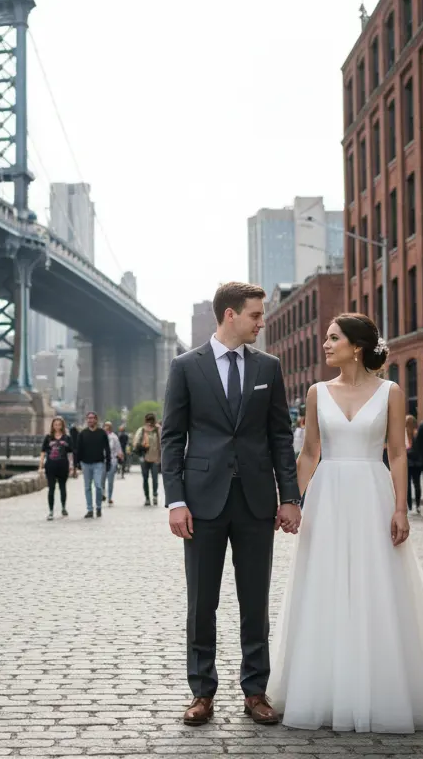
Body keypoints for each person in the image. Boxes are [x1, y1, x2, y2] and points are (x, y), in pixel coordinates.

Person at [266, 312, 423, 732]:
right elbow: (310, 452)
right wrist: (290, 499)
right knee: (323, 583)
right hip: (327, 496)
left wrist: (401, 507)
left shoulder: (390, 391)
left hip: (371, 492)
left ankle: (380, 687)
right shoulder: (315, 392)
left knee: (376, 584)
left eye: (332, 338)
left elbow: (397, 453)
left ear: (356, 346)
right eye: (326, 338)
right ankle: (323, 687)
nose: (325, 346)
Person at [161, 281, 300, 727]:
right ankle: (202, 693)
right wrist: (176, 500)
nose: (262, 322)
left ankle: (255, 691)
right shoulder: (186, 366)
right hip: (202, 502)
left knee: (254, 601)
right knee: (202, 602)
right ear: (230, 316)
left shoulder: (269, 367)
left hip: (257, 502)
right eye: (256, 315)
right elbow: (172, 437)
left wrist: (291, 497)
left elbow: (280, 436)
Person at [74, 412, 110, 519]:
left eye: (92, 418)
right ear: (87, 420)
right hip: (85, 463)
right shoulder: (82, 434)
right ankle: (89, 509)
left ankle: (98, 507)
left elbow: (107, 449)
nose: (90, 420)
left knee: (98, 486)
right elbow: (78, 449)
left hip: (98, 463)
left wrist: (108, 462)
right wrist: (77, 463)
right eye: (88, 418)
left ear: (96, 420)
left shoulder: (102, 433)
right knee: (87, 487)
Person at [37, 417, 74, 520]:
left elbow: (70, 453)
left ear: (62, 426)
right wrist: (40, 466)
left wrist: (71, 466)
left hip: (63, 466)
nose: (57, 426)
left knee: (62, 487)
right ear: (52, 426)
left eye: (59, 424)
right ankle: (51, 511)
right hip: (50, 466)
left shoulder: (67, 438)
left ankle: (63, 507)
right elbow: (43, 452)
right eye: (55, 424)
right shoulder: (48, 438)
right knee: (51, 488)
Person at [132, 413, 162, 505]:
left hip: (155, 458)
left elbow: (162, 443)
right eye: (148, 420)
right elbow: (135, 443)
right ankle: (147, 498)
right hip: (144, 458)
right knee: (145, 478)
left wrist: (161, 457)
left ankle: (155, 495)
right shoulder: (141, 430)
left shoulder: (157, 430)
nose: (150, 422)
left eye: (151, 420)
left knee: (155, 478)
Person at [404, 415, 423, 514]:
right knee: (417, 484)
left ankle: (409, 505)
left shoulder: (404, 434)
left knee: (407, 485)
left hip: (407, 462)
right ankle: (418, 505)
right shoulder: (418, 434)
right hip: (418, 463)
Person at [103, 421, 124, 504]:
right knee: (101, 480)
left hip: (112, 460)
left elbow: (118, 448)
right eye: (105, 426)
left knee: (110, 480)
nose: (106, 428)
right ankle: (102, 494)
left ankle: (110, 497)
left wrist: (121, 455)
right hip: (102, 461)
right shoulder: (101, 436)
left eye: (108, 427)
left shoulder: (114, 437)